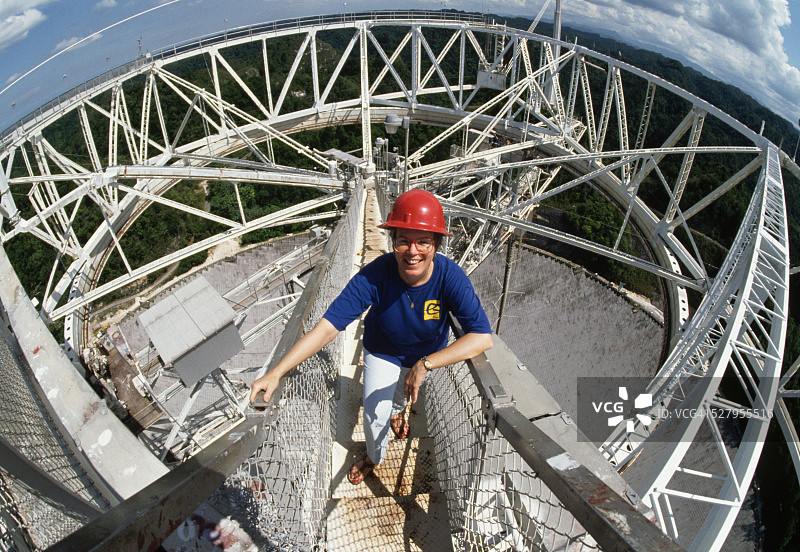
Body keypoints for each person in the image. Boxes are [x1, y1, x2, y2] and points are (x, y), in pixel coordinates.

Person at [249, 189, 493, 484]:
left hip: (425, 354)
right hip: (383, 351)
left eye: (423, 242)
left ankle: (398, 413)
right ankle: (374, 457)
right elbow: (327, 328)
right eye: (403, 241)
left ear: (437, 245)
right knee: (374, 414)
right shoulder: (374, 276)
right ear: (393, 242)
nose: (412, 251)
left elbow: (482, 337)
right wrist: (277, 372)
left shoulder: (451, 278)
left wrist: (426, 364)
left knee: (403, 394)